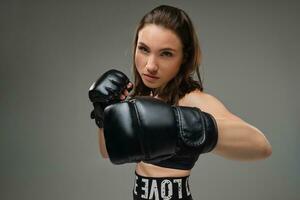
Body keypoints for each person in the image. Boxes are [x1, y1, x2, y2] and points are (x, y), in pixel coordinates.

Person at [88, 5, 272, 200]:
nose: (150, 66)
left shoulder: (191, 99)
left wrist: (186, 125)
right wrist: (103, 114)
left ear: (184, 58)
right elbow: (108, 152)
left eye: (166, 53)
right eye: (144, 49)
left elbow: (261, 146)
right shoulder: (140, 96)